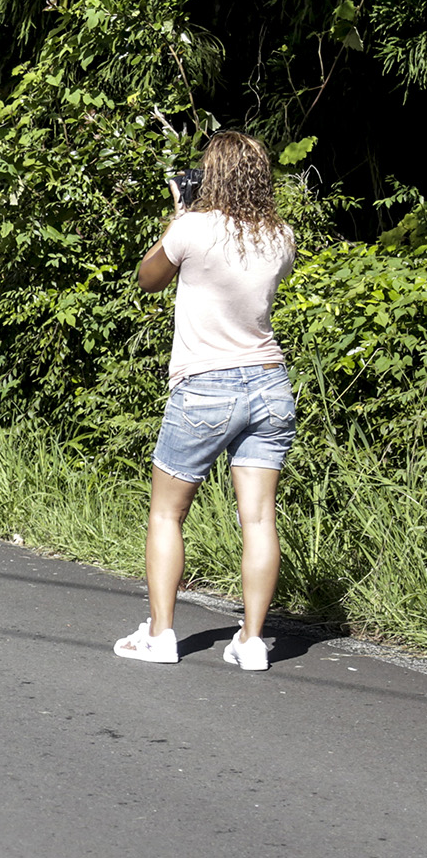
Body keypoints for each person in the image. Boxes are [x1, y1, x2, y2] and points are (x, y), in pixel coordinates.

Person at [115, 132, 297, 671]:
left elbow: (149, 279)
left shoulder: (191, 227)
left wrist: (179, 216)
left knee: (167, 514)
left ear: (210, 173)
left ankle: (162, 635)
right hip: (269, 384)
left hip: (206, 386)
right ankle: (251, 642)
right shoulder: (281, 235)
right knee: (259, 518)